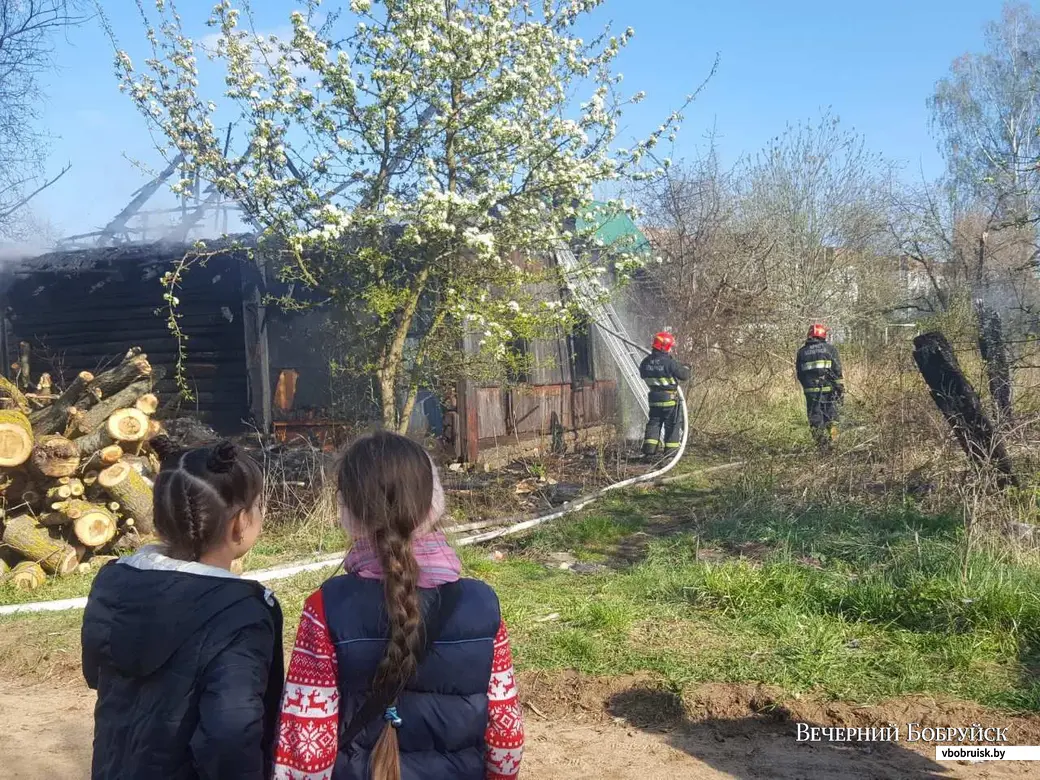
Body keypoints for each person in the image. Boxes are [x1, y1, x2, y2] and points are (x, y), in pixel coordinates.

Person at [274, 430, 523, 780]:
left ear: (348, 512)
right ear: (435, 504)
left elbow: (306, 747)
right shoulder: (482, 606)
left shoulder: (325, 608)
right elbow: (506, 737)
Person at [81, 438, 283, 780]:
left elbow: (94, 673)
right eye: (259, 505)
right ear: (239, 522)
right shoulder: (242, 613)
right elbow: (230, 737)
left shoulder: (113, 582)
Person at [639, 331, 691, 460]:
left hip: (654, 400)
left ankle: (649, 451)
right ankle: (670, 454)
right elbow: (684, 375)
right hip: (669, 400)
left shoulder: (645, 362)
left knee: (654, 423)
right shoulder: (669, 362)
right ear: (665, 346)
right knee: (672, 424)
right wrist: (687, 368)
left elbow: (642, 374)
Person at [796, 323, 844, 451]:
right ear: (823, 335)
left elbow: (800, 374)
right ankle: (834, 444)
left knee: (815, 420)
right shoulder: (830, 349)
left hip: (811, 393)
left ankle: (821, 448)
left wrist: (807, 387)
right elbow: (837, 370)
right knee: (832, 418)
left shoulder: (802, 352)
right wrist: (840, 388)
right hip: (830, 392)